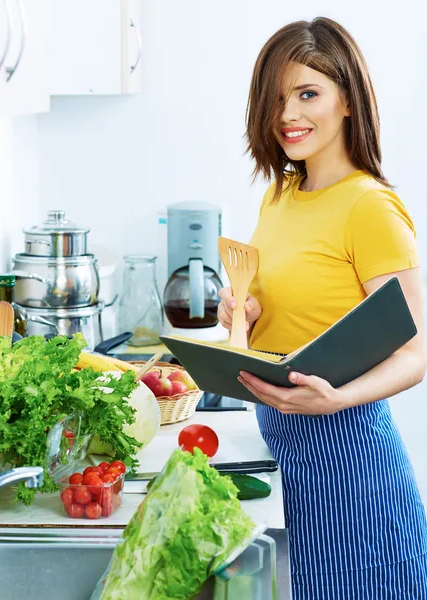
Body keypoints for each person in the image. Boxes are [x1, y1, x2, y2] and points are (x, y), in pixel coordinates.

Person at [217, 17, 427, 600]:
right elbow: (283, 302)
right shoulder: (281, 192)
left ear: (348, 102)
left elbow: (417, 352)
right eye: (277, 97)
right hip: (284, 439)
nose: (289, 115)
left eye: (308, 93)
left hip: (351, 453)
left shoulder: (370, 208)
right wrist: (245, 310)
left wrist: (336, 398)